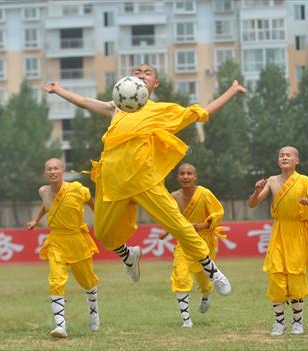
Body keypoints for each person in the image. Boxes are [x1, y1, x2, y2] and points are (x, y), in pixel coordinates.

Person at [43, 64, 246, 297]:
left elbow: (202, 113)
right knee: (104, 234)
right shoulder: (116, 108)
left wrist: (231, 91)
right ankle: (129, 255)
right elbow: (82, 101)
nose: (141, 75)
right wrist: (59, 90)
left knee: (180, 227)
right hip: (112, 182)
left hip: (144, 181)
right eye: (137, 72)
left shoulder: (160, 110)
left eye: (147, 73)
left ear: (155, 84)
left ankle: (212, 270)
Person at [247, 146, 308, 336]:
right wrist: (256, 190)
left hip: (297, 232)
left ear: (296, 161)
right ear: (278, 161)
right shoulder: (271, 181)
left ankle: (297, 322)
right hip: (279, 231)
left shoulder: (304, 180)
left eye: (288, 155)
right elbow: (252, 203)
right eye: (281, 155)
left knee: (295, 276)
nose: (284, 157)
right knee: (275, 275)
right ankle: (279, 322)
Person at [26, 158, 100, 338]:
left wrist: (105, 220)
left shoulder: (77, 189)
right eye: (49, 169)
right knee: (56, 280)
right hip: (56, 240)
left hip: (77, 240)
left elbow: (93, 204)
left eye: (56, 168)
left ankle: (94, 312)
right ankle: (60, 326)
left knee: (87, 281)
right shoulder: (43, 191)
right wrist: (36, 220)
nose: (52, 172)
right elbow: (47, 206)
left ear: (63, 170)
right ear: (45, 173)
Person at [162, 163, 226, 328]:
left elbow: (218, 213)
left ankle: (206, 292)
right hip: (184, 242)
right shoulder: (173, 196)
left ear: (195, 176)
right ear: (178, 177)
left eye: (189, 173)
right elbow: (172, 218)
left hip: (204, 242)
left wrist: (204, 225)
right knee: (181, 276)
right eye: (182, 174)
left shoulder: (204, 193)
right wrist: (166, 231)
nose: (185, 177)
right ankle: (186, 320)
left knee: (203, 278)